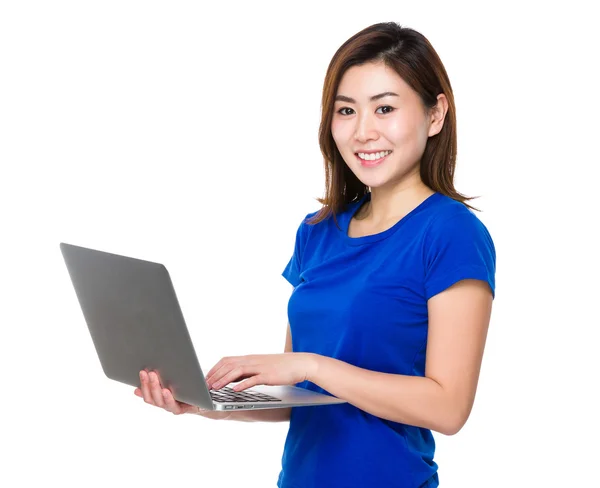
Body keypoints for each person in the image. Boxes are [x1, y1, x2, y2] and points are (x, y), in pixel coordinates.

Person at [134, 21, 496, 488]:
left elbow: (448, 407)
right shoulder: (317, 232)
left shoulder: (452, 233)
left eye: (384, 108)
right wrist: (208, 403)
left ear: (435, 115)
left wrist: (309, 365)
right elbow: (294, 397)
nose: (364, 132)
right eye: (347, 110)